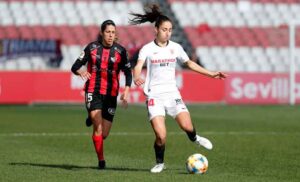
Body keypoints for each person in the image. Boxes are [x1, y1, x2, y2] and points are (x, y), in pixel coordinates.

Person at [130, 5, 227, 173]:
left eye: (170, 30)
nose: (168, 33)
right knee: (161, 136)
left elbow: (189, 63)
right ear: (156, 29)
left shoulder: (176, 47)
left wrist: (211, 74)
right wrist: (136, 76)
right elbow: (138, 66)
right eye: (164, 29)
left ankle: (195, 138)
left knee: (187, 127)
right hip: (154, 96)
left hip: (172, 94)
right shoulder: (147, 49)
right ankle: (160, 163)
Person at [71, 20, 132, 169]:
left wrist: (126, 91)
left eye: (113, 32)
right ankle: (101, 161)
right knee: (97, 127)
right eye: (108, 32)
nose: (111, 35)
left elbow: (128, 72)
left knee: (103, 134)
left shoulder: (121, 51)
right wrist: (81, 71)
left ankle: (92, 117)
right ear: (102, 33)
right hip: (93, 90)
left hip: (111, 95)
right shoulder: (91, 48)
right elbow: (75, 66)